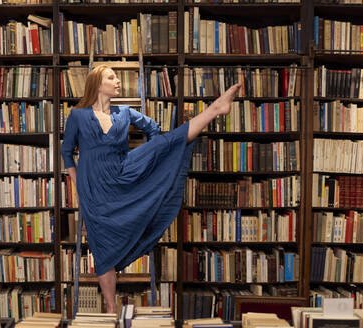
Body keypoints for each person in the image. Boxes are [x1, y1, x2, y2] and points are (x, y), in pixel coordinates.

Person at [61, 64, 241, 313]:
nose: (117, 81)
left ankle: (215, 109)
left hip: (124, 173)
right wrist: (78, 187)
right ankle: (112, 308)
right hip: (94, 190)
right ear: (97, 83)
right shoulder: (78, 115)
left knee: (169, 140)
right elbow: (66, 153)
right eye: (111, 77)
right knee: (101, 246)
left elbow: (154, 129)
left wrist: (152, 159)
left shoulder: (125, 112)